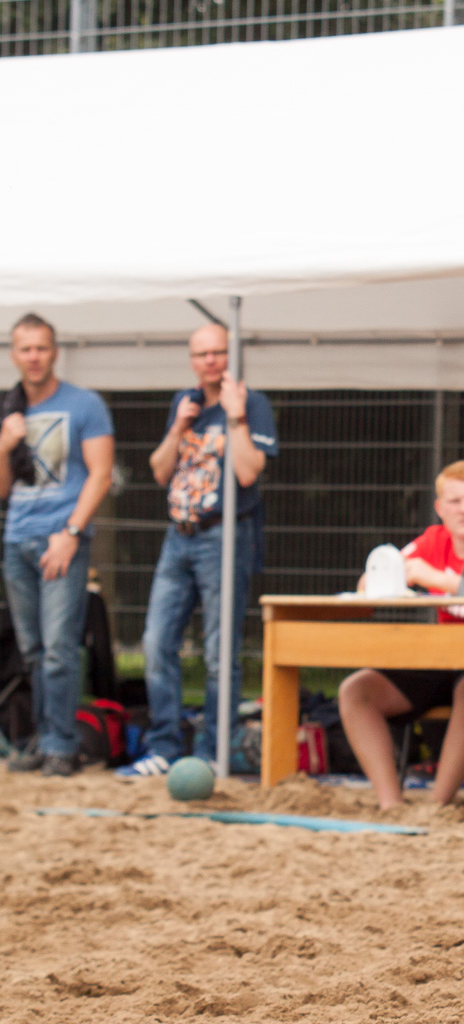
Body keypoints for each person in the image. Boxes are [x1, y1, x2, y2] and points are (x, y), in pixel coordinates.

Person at [120, 323, 277, 776]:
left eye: (218, 352)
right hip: (178, 535)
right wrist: (177, 429)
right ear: (191, 360)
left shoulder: (251, 403)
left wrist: (236, 417)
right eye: (201, 354)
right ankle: (164, 747)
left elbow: (249, 473)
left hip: (225, 534)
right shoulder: (183, 403)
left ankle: (214, 750)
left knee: (218, 651)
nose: (210, 361)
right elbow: (158, 471)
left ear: (232, 356)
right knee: (155, 643)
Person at [337, 460, 464, 808]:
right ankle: (390, 804)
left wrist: (436, 579)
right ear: (440, 508)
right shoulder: (430, 540)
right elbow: (371, 582)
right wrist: (383, 579)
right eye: (454, 502)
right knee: (356, 690)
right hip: (446, 657)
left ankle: (436, 807)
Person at [0, 313, 114, 777]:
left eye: (41, 348)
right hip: (16, 539)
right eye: (25, 349)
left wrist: (71, 533)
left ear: (55, 351)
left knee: (58, 648)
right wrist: (3, 445)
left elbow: (101, 474)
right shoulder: (9, 409)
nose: (34, 357)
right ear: (14, 354)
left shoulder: (84, 404)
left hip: (61, 539)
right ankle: (43, 742)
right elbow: (3, 490)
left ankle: (62, 745)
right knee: (31, 650)